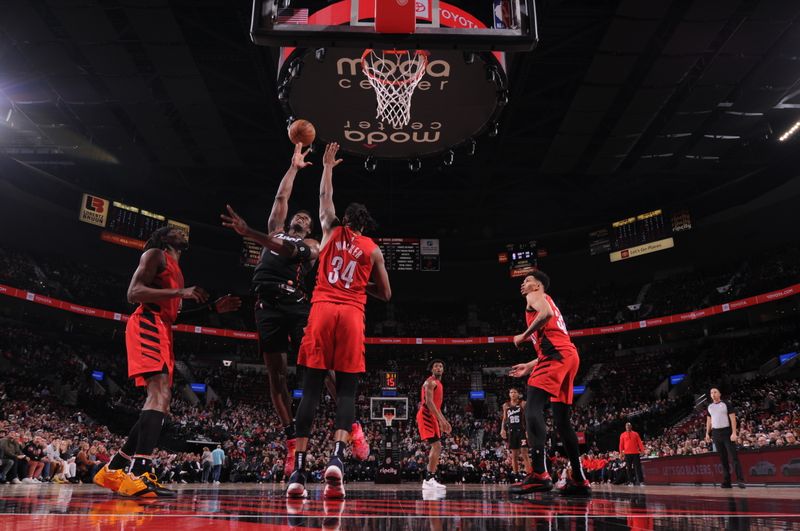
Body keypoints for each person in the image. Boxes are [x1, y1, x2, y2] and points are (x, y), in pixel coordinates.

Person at [93, 227, 241, 497]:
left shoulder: (175, 268)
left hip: (163, 327)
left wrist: (211, 309)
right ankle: (138, 472)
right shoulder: (155, 254)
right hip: (147, 322)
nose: (183, 231)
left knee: (161, 398)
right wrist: (181, 292)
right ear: (163, 237)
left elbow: (174, 314)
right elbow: (134, 292)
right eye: (175, 230)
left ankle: (115, 469)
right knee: (159, 394)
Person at [285, 142, 391, 499]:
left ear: (345, 220)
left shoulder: (330, 230)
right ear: (366, 224)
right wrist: (363, 285)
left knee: (312, 387)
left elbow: (324, 196)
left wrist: (328, 166)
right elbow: (387, 294)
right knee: (346, 389)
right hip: (351, 313)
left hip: (321, 309)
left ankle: (298, 472)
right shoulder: (372, 248)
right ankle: (336, 459)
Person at [509, 271, 590, 496]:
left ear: (537, 285)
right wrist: (530, 365)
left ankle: (539, 474)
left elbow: (543, 316)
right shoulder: (551, 302)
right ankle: (579, 478)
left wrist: (523, 335)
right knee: (562, 421)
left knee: (532, 408)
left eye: (527, 281)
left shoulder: (535, 297)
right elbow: (554, 340)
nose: (523, 284)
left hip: (556, 356)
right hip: (568, 356)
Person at [417, 359, 451, 490]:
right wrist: (441, 421)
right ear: (432, 370)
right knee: (436, 446)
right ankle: (428, 479)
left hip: (432, 415)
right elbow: (429, 403)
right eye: (436, 366)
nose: (438, 368)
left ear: (443, 370)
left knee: (438, 447)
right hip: (426, 414)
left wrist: (444, 420)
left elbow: (437, 407)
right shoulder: (430, 382)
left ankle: (430, 478)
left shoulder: (438, 383)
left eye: (440, 366)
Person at [705, 388, 745, 489]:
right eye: (711, 393)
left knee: (734, 457)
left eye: (715, 392)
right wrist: (707, 433)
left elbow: (733, 419)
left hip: (727, 432)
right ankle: (727, 481)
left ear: (719, 394)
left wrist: (734, 433)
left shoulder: (726, 404)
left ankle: (740, 480)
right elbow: (709, 421)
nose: (713, 394)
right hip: (716, 433)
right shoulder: (709, 406)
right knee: (723, 459)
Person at [501, 388, 533, 482]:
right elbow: (504, 418)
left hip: (521, 431)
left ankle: (529, 475)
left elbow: (527, 417)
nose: (513, 394)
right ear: (509, 394)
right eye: (511, 392)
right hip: (511, 432)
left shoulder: (523, 403)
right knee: (514, 455)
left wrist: (528, 430)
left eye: (515, 392)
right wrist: (502, 429)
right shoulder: (505, 405)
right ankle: (516, 476)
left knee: (524, 454)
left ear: (518, 394)